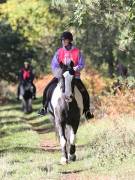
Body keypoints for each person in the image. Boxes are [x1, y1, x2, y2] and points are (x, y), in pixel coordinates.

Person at [38, 31, 94, 119]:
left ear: (70, 40)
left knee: (85, 92)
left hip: (74, 77)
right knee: (47, 89)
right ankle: (44, 107)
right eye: (62, 40)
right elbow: (54, 65)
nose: (63, 41)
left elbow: (81, 64)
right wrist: (60, 73)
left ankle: (87, 111)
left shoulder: (77, 52)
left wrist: (75, 69)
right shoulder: (59, 52)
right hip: (61, 76)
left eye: (65, 40)